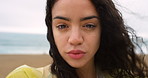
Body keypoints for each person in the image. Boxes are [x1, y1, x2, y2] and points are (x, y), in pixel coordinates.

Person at [6, 0, 148, 78]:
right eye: (62, 26)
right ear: (52, 30)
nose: (75, 39)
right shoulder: (25, 76)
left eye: (89, 25)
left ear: (103, 30)